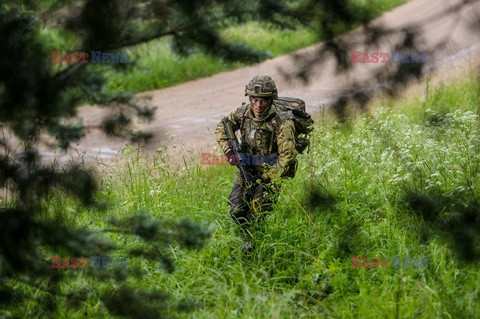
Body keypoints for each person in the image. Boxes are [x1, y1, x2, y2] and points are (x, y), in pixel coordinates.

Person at [215, 75, 298, 251]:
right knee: (236, 210)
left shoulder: (283, 122)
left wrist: (267, 178)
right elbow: (222, 127)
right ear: (249, 98)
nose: (258, 106)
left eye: (263, 101)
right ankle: (243, 240)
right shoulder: (242, 113)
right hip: (246, 170)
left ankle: (256, 248)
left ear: (271, 100)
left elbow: (287, 156)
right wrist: (229, 151)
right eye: (254, 100)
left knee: (258, 214)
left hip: (269, 174)